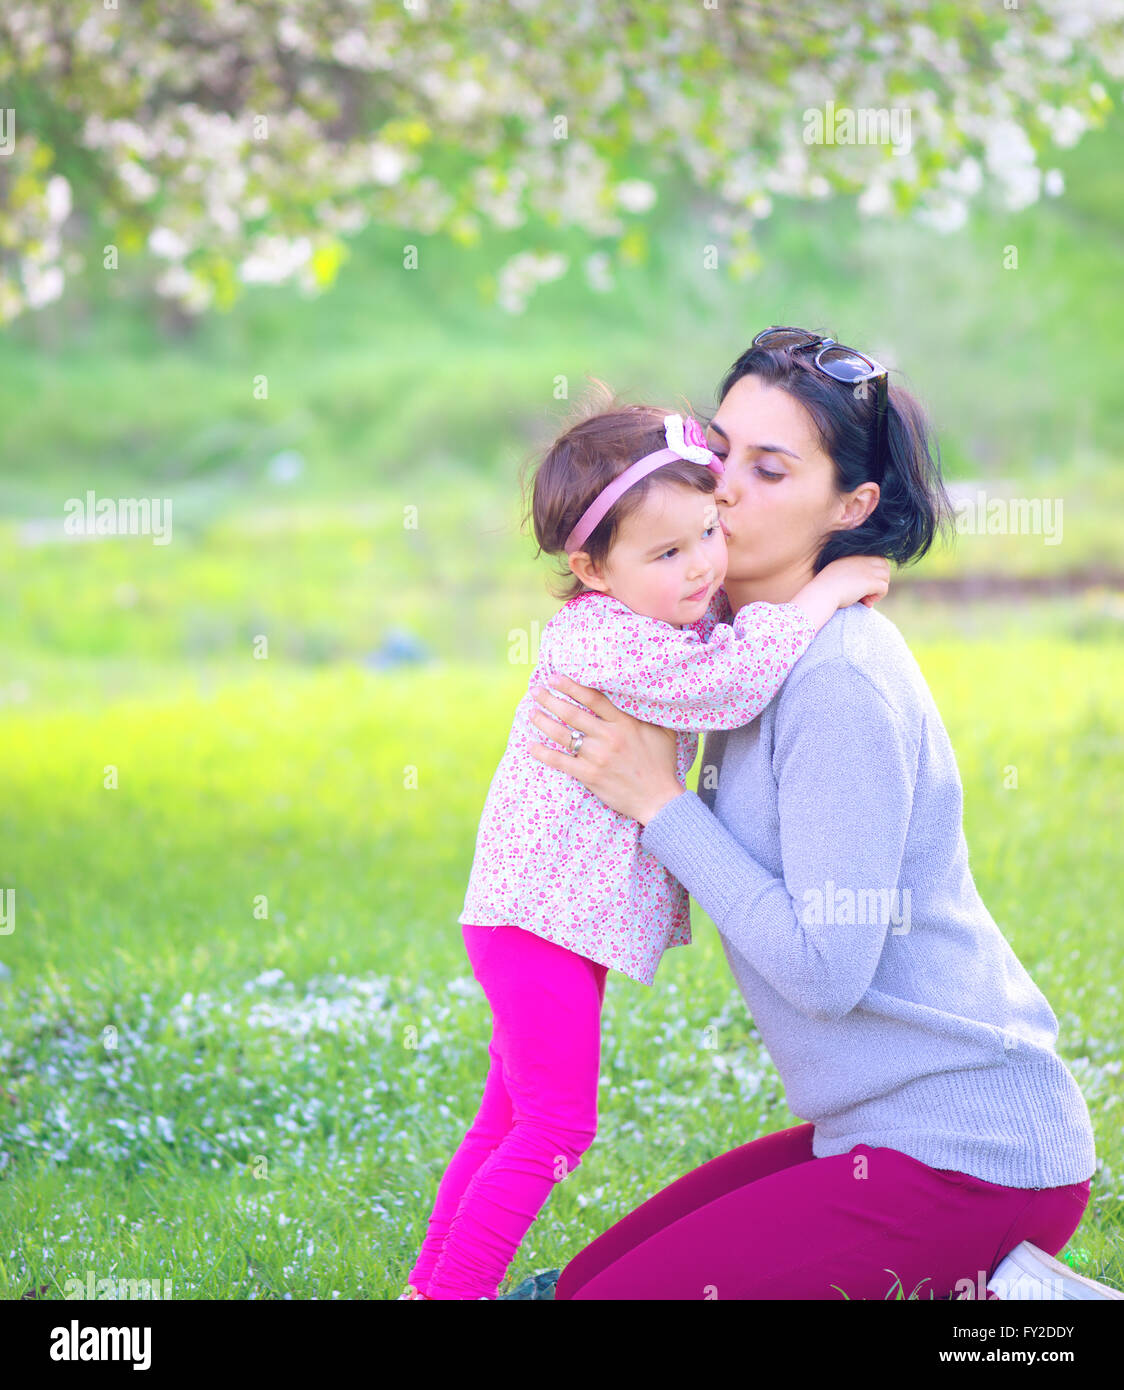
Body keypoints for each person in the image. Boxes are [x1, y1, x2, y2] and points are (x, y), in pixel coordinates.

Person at [523, 328, 1110, 1301]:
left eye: (768, 469)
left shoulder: (838, 678)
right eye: (717, 451)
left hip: (971, 1160)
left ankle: (1017, 1299)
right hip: (869, 1136)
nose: (721, 489)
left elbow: (824, 971)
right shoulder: (727, 662)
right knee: (573, 1287)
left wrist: (657, 801)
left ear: (850, 508)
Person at [399, 387, 889, 1300]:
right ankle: (451, 1294)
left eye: (708, 531)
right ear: (591, 568)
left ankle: (431, 1289)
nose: (703, 565)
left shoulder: (647, 616)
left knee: (507, 1117)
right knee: (553, 1127)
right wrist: (826, 586)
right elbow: (735, 684)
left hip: (540, 918)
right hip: (538, 921)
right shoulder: (606, 640)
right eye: (667, 552)